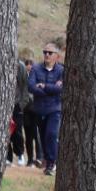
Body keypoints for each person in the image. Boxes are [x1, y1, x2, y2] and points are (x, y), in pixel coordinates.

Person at [28, 43, 64, 175]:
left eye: (50, 53)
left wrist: (44, 87)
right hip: (39, 109)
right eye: (45, 52)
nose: (47, 55)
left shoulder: (61, 70)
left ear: (57, 56)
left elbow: (61, 89)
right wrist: (51, 89)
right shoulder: (36, 68)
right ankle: (48, 161)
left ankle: (52, 163)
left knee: (51, 134)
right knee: (43, 137)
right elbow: (31, 87)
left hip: (55, 109)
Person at [8, 58, 32, 165]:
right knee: (4, 131)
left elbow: (25, 86)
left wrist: (22, 104)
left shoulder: (20, 66)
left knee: (17, 130)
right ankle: (7, 156)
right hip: (4, 104)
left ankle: (20, 153)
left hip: (17, 103)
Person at [20, 58, 43, 166]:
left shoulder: (37, 78)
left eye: (30, 69)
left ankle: (39, 157)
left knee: (36, 134)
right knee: (28, 137)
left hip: (35, 110)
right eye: (27, 69)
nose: (29, 71)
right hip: (25, 111)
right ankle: (30, 160)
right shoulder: (23, 79)